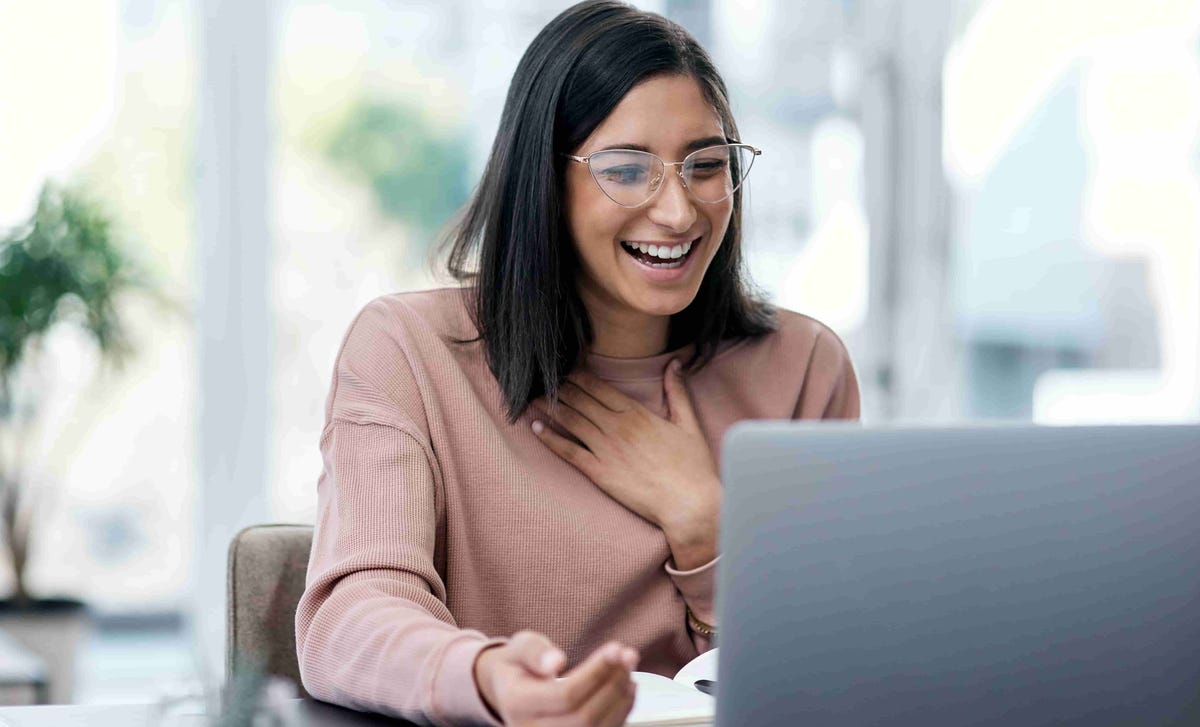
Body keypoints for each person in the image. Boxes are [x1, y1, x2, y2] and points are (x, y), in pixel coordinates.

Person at [295, 1, 860, 725]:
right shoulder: (410, 350)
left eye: (707, 166)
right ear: (544, 181)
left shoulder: (804, 365)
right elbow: (349, 614)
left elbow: (836, 661)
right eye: (627, 170)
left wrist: (712, 529)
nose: (679, 212)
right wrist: (485, 675)